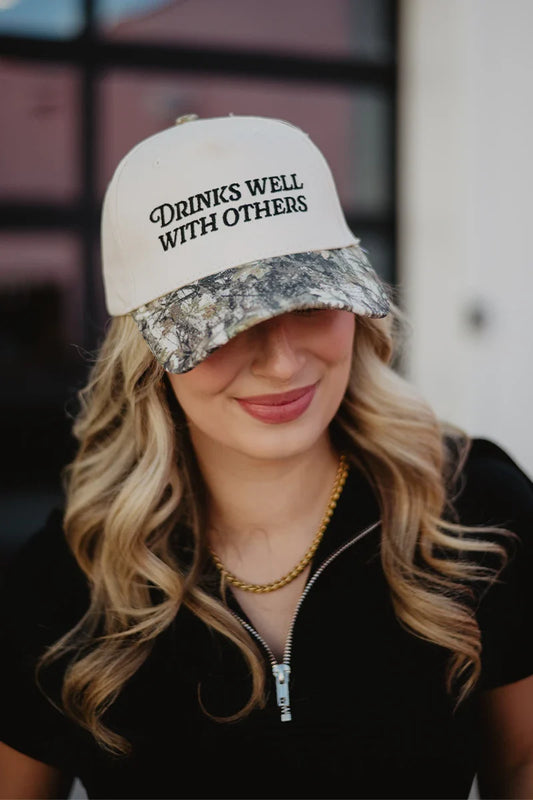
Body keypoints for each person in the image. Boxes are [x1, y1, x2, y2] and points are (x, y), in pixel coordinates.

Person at [0, 114, 532, 800]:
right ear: (148, 350)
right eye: (225, 323)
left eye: (311, 302)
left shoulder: (477, 511)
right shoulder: (64, 583)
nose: (282, 363)